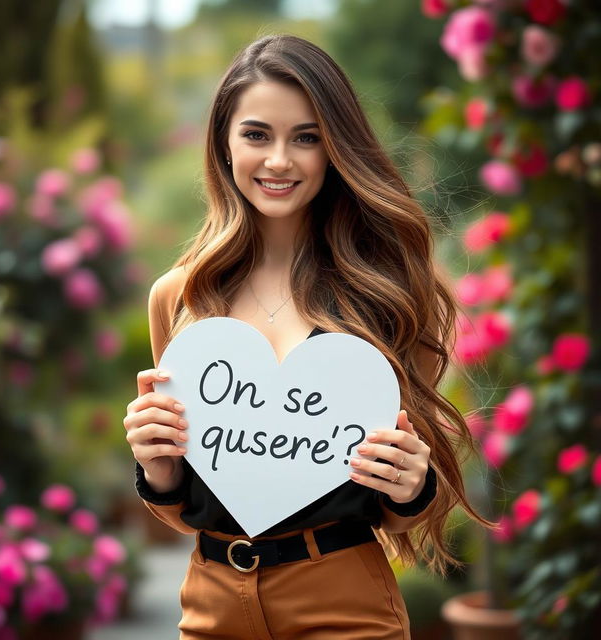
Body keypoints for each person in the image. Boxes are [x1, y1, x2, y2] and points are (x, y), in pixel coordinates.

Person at [123, 34, 490, 639]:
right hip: (210, 605)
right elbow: (187, 504)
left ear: (336, 147)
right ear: (224, 143)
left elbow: (403, 508)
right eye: (257, 134)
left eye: (307, 137)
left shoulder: (391, 294)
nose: (280, 161)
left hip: (343, 604)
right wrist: (157, 467)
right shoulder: (178, 298)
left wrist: (412, 482)